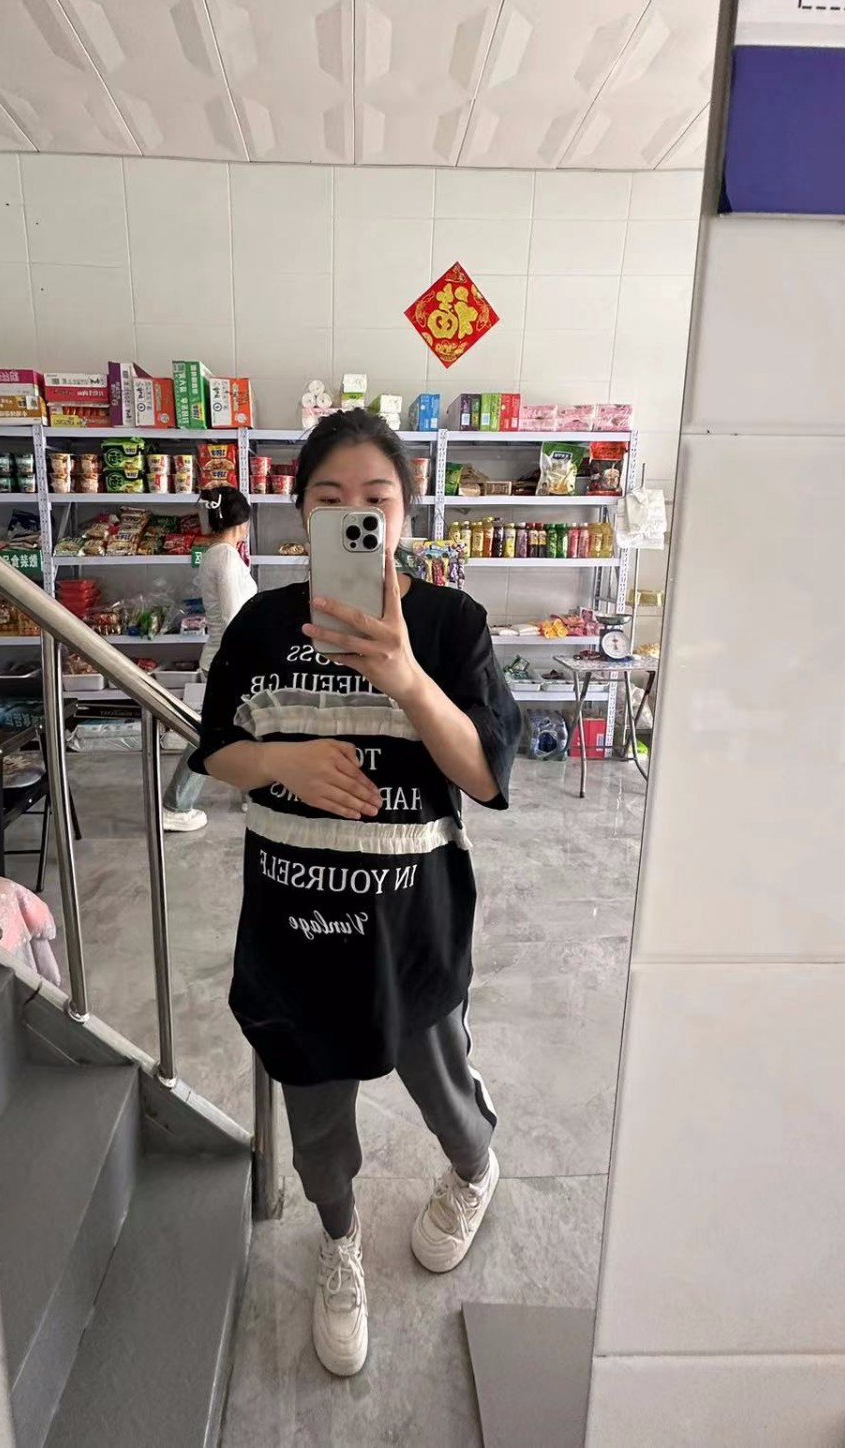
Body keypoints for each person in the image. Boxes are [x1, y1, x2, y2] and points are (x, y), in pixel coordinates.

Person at [188, 409, 520, 1377]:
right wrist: (281, 762)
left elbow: (486, 774)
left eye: (374, 500)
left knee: (440, 1084)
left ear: (403, 515)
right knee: (317, 1116)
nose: (352, 515)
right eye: (328, 500)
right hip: (292, 934)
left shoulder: (450, 625)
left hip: (411, 930)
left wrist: (406, 677)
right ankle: (337, 1239)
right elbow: (217, 749)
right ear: (300, 517)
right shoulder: (261, 625)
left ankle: (473, 1166)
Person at [162, 485, 255, 832]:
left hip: (222, 656)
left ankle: (253, 793)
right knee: (210, 734)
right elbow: (233, 618)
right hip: (230, 659)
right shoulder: (226, 558)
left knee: (245, 727)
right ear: (242, 522)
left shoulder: (214, 553)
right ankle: (175, 804)